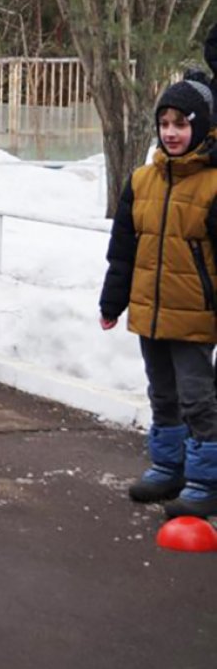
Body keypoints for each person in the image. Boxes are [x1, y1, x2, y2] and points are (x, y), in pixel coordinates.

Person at [100, 79, 217, 520]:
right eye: (164, 123)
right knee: (162, 394)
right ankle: (169, 466)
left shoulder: (212, 185)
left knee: (198, 399)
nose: (171, 132)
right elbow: (123, 250)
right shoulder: (141, 180)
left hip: (194, 316)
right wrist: (113, 303)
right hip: (150, 312)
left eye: (181, 124)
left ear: (201, 126)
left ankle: (206, 480)